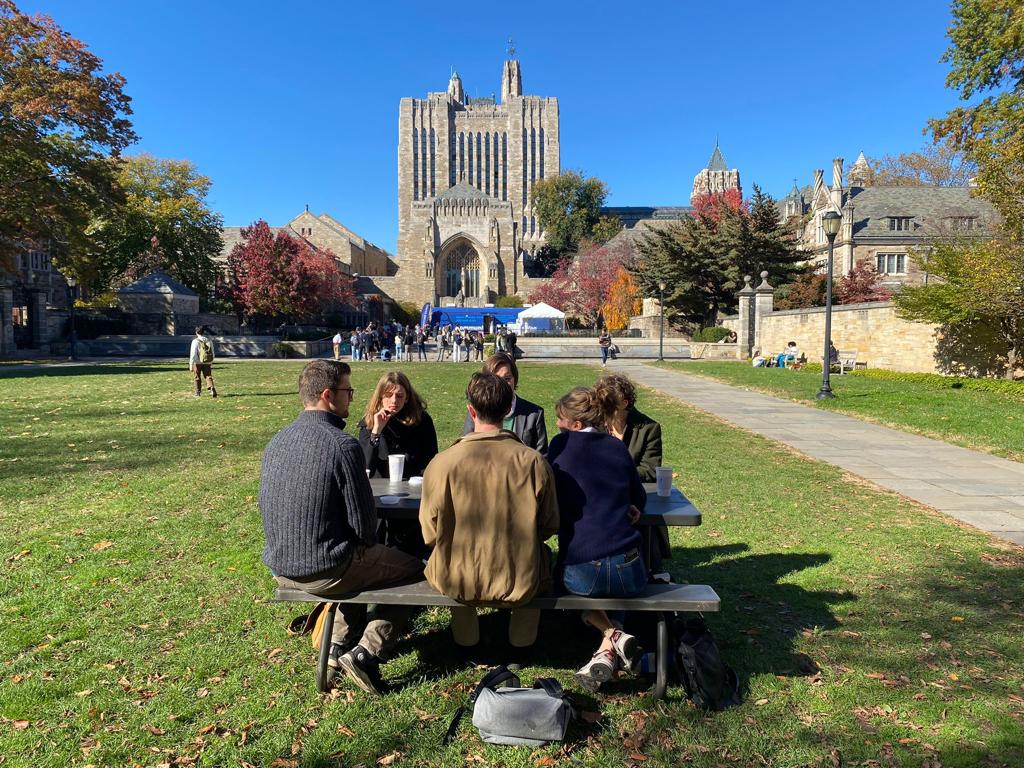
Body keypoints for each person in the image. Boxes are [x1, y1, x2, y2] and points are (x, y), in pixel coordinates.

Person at [259, 360, 423, 696]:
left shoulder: (278, 440)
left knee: (365, 569)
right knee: (419, 573)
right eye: (348, 391)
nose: (351, 397)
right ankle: (366, 652)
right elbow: (364, 527)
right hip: (327, 566)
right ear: (327, 395)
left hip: (281, 566)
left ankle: (334, 647)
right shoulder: (341, 445)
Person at [420, 372, 559, 655]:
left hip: (457, 575)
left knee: (448, 558)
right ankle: (521, 645)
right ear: (509, 409)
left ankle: (466, 641)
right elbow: (549, 524)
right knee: (541, 559)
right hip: (519, 575)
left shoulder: (442, 463)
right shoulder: (533, 461)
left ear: (471, 411)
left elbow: (429, 532)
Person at [547, 387, 646, 691]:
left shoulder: (560, 446)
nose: (558, 424)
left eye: (561, 419)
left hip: (581, 568)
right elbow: (638, 497)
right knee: (613, 589)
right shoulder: (617, 448)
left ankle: (612, 636)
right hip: (629, 569)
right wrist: (628, 506)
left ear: (575, 425)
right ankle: (606, 652)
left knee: (563, 581)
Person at [594, 373, 670, 582]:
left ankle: (647, 573)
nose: (603, 408)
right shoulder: (597, 426)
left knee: (641, 523)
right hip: (601, 499)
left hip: (634, 498)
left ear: (624, 403)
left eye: (609, 403)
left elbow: (650, 469)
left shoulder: (648, 428)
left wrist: (616, 474)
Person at [358, 372, 439, 557]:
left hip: (412, 493)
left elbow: (431, 460)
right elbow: (364, 467)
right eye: (388, 395)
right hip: (380, 496)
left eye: (400, 396)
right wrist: (376, 432)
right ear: (380, 397)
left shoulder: (421, 421)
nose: (394, 400)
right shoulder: (370, 422)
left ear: (407, 397)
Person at [462, 353, 548, 454]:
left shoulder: (534, 414)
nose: (502, 385)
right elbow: (466, 448)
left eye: (507, 379)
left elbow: (542, 456)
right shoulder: (478, 410)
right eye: (496, 379)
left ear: (514, 379)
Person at [189, 326, 218, 398]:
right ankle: (212, 388)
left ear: (196, 332)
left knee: (197, 377)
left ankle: (197, 392)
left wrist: (191, 364)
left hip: (197, 362)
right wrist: (211, 360)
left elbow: (193, 353)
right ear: (203, 332)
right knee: (208, 376)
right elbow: (212, 352)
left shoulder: (195, 341)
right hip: (207, 361)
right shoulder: (209, 340)